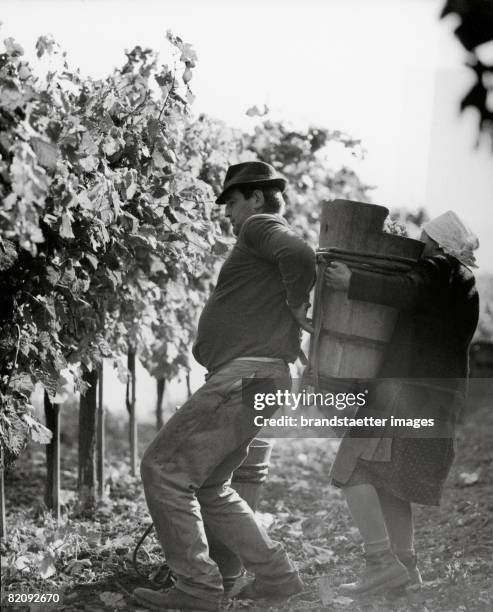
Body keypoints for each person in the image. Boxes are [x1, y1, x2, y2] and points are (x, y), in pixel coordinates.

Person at [133, 161, 316, 611]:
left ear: (256, 196)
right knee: (211, 486)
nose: (228, 214)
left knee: (162, 469)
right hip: (259, 378)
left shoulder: (259, 227)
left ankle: (197, 588)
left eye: (231, 202)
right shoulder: (260, 235)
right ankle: (278, 577)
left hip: (243, 378)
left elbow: (299, 255)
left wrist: (297, 307)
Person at [325, 210, 479, 596]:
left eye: (423, 239)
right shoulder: (467, 284)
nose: (418, 246)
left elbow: (407, 289)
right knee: (393, 484)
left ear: (437, 244)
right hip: (437, 402)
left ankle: (379, 564)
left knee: (352, 468)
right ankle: (407, 572)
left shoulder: (438, 267)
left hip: (401, 395)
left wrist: (351, 280)